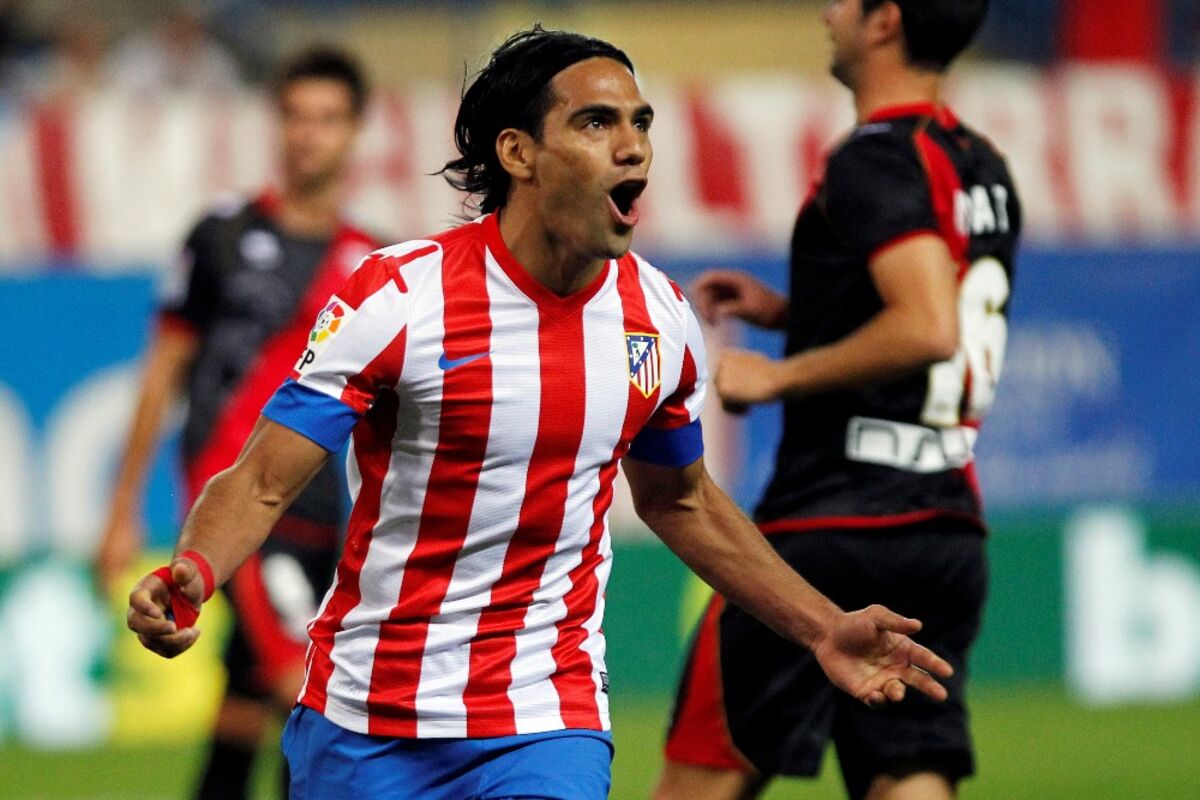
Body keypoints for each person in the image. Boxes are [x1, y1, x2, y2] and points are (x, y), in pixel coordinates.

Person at [124, 27, 954, 800]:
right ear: (517, 152)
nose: (632, 146)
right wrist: (195, 568)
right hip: (366, 719)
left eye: (640, 123)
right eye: (596, 122)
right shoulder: (400, 296)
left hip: (543, 717)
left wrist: (823, 629)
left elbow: (683, 501)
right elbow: (262, 480)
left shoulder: (659, 321)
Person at [656, 2, 1022, 800]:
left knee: (700, 777)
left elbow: (926, 326)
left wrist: (777, 375)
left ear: (886, 20)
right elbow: (943, 313)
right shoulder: (981, 164)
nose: (829, 12)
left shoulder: (876, 159)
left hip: (832, 524)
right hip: (943, 524)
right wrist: (797, 313)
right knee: (908, 767)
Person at [97, 47, 378, 800]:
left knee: (246, 702)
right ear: (275, 123)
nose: (307, 135)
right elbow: (164, 371)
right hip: (240, 503)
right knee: (307, 689)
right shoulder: (220, 236)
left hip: (322, 510)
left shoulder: (374, 262)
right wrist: (122, 510)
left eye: (327, 118)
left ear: (355, 130)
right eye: (294, 116)